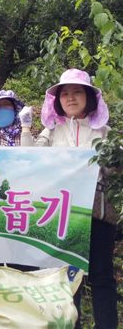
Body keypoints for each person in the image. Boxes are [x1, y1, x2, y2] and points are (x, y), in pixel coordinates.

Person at [19, 69, 117, 329]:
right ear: (57, 100)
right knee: (67, 276)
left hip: (99, 215)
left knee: (101, 275)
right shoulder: (51, 134)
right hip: (62, 217)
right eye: (65, 94)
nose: (70, 98)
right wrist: (27, 128)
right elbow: (28, 162)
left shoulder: (106, 133)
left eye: (77, 92)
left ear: (89, 97)